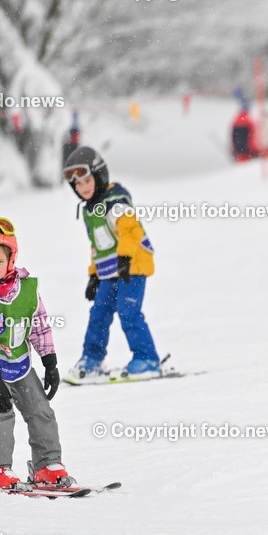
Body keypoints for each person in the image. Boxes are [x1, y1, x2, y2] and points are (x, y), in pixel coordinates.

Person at [0, 217, 73, 489]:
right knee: (0, 417)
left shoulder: (27, 290)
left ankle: (47, 465)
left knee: (41, 410)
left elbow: (39, 325)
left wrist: (50, 362)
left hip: (21, 364)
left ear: (10, 260)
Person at [63, 146, 161, 379]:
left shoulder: (115, 202)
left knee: (129, 311)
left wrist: (125, 259)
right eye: (77, 185)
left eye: (87, 181)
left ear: (98, 176)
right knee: (99, 312)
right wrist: (94, 275)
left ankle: (147, 359)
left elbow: (131, 230)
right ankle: (92, 359)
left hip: (132, 265)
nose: (83, 188)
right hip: (110, 271)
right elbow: (98, 246)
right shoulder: (90, 209)